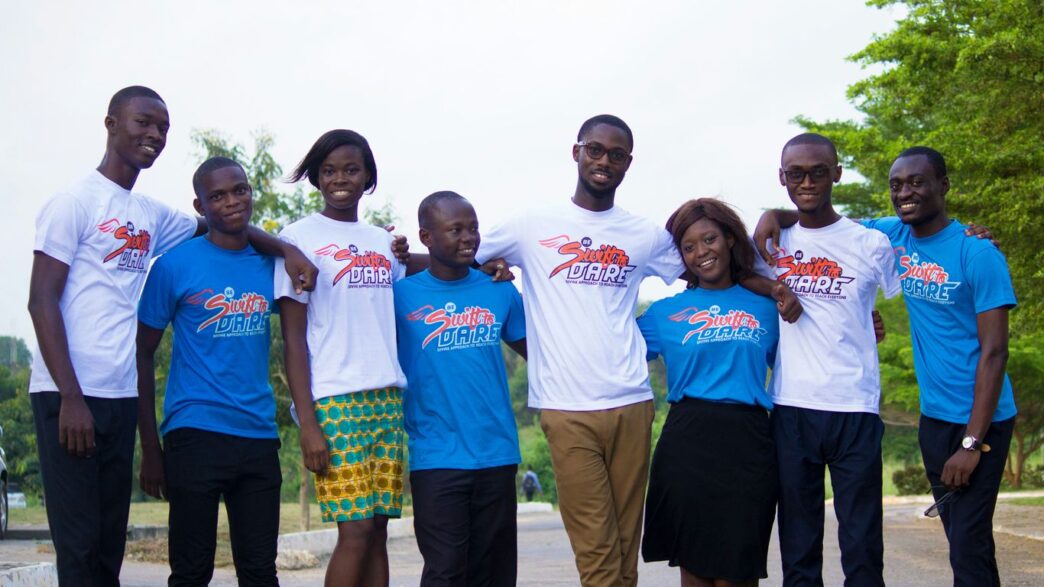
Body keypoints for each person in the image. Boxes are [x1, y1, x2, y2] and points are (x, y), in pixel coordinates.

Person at [469, 115, 800, 587]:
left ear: (628, 163)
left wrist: (769, 285)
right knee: (600, 556)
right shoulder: (530, 224)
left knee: (624, 553)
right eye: (595, 150)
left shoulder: (643, 235)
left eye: (616, 154)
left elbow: (706, 266)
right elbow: (460, 258)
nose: (604, 161)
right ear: (577, 151)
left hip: (632, 403)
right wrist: (402, 263)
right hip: (567, 408)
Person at [26, 86, 315, 586]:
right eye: (143, 122)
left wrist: (288, 250)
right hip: (68, 392)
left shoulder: (152, 214)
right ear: (111, 124)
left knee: (107, 548)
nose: (154, 135)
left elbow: (225, 226)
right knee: (78, 547)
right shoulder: (73, 202)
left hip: (117, 393)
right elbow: (40, 300)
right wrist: (69, 396)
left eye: (162, 127)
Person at [756, 146, 1016, 586]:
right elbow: (818, 215)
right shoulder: (891, 234)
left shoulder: (976, 252)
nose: (905, 193)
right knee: (961, 540)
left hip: (980, 418)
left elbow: (996, 353)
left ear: (944, 186)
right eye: (897, 185)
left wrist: (971, 443)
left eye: (917, 183)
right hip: (934, 417)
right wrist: (771, 216)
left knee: (968, 544)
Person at [754, 133, 900, 586]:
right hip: (793, 407)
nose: (807, 182)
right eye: (795, 174)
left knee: (862, 545)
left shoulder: (871, 243)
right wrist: (776, 287)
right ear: (782, 178)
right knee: (799, 546)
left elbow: (891, 296)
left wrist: (870, 320)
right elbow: (735, 271)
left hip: (855, 405)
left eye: (819, 172)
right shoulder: (771, 243)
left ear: (837, 173)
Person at [136, 157, 281, 586]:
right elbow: (142, 354)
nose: (232, 201)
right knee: (191, 570)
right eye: (217, 196)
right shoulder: (174, 265)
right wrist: (150, 448)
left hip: (258, 434)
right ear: (200, 206)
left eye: (240, 190)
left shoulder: (270, 264)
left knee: (259, 572)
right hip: (194, 433)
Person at [277, 129, 407, 587]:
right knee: (353, 532)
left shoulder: (384, 242)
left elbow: (428, 269)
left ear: (368, 176)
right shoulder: (296, 238)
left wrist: (481, 264)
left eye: (351, 170)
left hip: (387, 399)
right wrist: (308, 423)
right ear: (315, 177)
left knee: (377, 532)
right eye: (329, 170)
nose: (340, 179)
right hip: (335, 401)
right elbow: (292, 340)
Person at [639, 198, 780, 587]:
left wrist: (866, 323)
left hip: (749, 445)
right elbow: (609, 348)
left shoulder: (768, 307)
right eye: (689, 246)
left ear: (730, 239)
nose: (702, 252)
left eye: (710, 239)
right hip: (689, 444)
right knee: (696, 572)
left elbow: (815, 346)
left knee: (739, 573)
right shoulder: (663, 314)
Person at [393, 191, 527, 586]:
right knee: (446, 572)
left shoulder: (499, 290)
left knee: (494, 575)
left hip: (496, 452)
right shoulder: (400, 296)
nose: (469, 237)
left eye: (473, 228)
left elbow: (538, 351)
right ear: (426, 237)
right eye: (455, 230)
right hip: (436, 457)